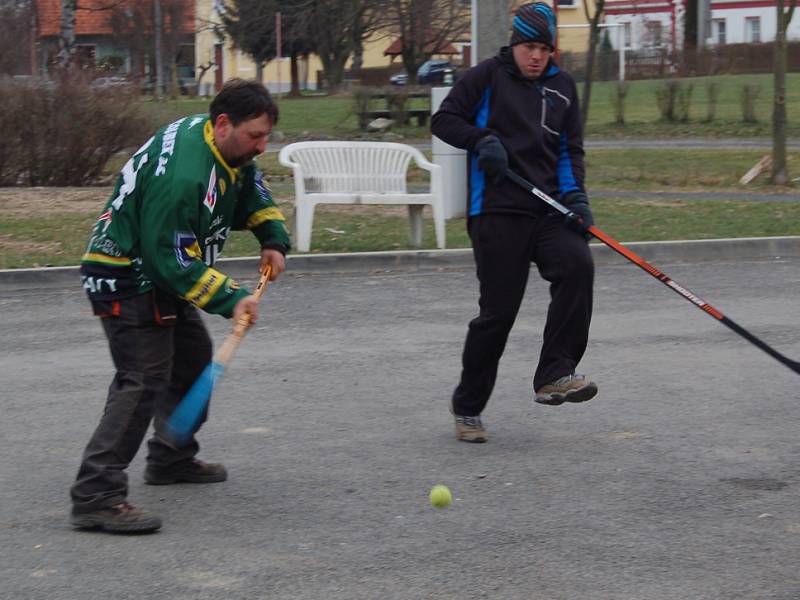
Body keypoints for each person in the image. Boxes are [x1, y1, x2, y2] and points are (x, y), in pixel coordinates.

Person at [70, 79, 290, 532]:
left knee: (191, 362)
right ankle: (96, 493)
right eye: (255, 136)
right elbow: (167, 258)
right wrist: (232, 299)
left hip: (164, 275)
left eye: (266, 136)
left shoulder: (223, 145)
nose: (261, 147)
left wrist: (272, 238)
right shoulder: (184, 175)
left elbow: (248, 185)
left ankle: (170, 458)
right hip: (128, 273)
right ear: (223, 123)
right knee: (143, 381)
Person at [431, 2, 597, 444]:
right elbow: (443, 119)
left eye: (544, 48)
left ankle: (555, 372)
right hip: (497, 210)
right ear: (514, 44)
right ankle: (468, 406)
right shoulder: (486, 76)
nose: (536, 56)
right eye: (529, 46)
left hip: (547, 210)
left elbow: (568, 151)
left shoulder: (563, 86)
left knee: (577, 265)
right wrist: (481, 139)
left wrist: (575, 197)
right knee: (499, 314)